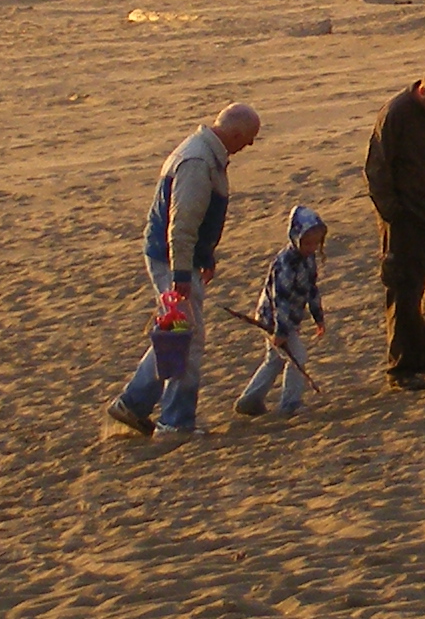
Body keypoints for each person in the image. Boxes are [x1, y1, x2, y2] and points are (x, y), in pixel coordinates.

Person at [107, 101, 259, 439]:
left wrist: (205, 256)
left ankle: (133, 404)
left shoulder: (207, 154)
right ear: (234, 132)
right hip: (172, 259)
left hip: (181, 257)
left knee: (177, 333)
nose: (249, 145)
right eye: (249, 138)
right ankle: (174, 422)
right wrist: (180, 276)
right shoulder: (197, 161)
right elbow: (182, 225)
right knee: (186, 338)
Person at [367, 67, 425, 385]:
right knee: (405, 290)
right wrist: (393, 213)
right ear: (423, 90)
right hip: (405, 218)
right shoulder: (396, 114)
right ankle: (402, 368)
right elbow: (377, 167)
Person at [235, 204, 330, 418]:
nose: (311, 247)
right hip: (274, 318)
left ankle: (250, 400)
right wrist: (280, 330)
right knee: (297, 357)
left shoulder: (309, 259)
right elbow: (281, 299)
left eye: (315, 243)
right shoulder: (285, 263)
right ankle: (290, 403)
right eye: (307, 243)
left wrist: (318, 317)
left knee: (275, 360)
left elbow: (311, 290)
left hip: (289, 319)